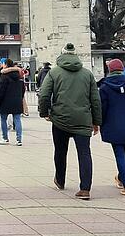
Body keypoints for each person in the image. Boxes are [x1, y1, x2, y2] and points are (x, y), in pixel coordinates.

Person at [38, 42, 102, 200]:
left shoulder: (54, 72)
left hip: (60, 118)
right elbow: (95, 99)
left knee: (60, 151)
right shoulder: (87, 74)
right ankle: (85, 188)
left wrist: (44, 112)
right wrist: (96, 121)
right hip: (83, 119)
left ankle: (60, 179)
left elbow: (44, 94)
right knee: (84, 153)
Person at [98, 59, 125, 196]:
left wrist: (100, 122)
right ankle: (121, 178)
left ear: (109, 70)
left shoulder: (104, 87)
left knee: (119, 154)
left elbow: (102, 108)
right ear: (122, 69)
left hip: (112, 124)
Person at [0, 59, 25, 145]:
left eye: (2, 63)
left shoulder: (4, 76)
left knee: (3, 119)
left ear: (5, 64)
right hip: (17, 101)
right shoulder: (19, 76)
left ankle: (5, 138)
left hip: (5, 101)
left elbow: (0, 90)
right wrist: (20, 97)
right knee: (17, 119)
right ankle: (19, 140)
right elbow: (23, 89)